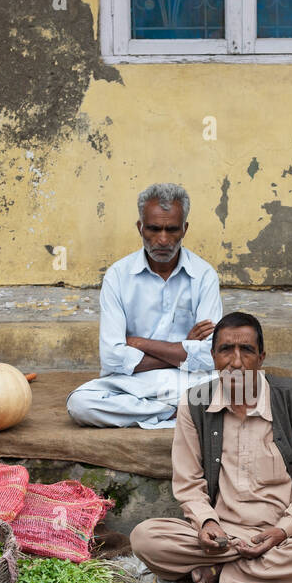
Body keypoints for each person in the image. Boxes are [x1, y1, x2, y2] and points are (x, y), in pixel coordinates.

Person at [130, 312, 292, 583]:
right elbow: (188, 485)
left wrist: (281, 532)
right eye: (226, 350)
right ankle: (252, 569)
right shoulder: (195, 404)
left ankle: (224, 573)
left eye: (246, 350)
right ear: (213, 356)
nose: (235, 362)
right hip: (222, 536)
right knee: (146, 539)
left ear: (261, 358)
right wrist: (208, 524)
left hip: (285, 534)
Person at [66, 183, 222, 429]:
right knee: (81, 404)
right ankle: (171, 413)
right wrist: (182, 349)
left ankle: (160, 412)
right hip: (131, 383)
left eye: (171, 230)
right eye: (153, 229)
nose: (162, 239)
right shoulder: (118, 276)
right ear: (140, 228)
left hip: (188, 382)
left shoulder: (204, 275)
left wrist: (139, 343)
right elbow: (112, 358)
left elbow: (209, 355)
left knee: (238, 390)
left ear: (184, 229)